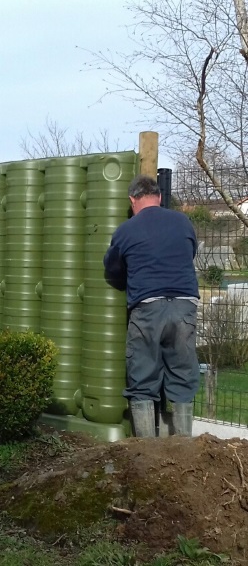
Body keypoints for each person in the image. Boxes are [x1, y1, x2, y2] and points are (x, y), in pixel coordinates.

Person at [103, 174, 200, 438]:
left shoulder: (126, 230)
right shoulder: (182, 221)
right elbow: (189, 253)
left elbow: (112, 269)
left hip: (147, 307)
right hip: (185, 306)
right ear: (158, 197)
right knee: (182, 373)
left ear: (133, 200)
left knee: (143, 377)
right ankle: (184, 446)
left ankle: (146, 451)